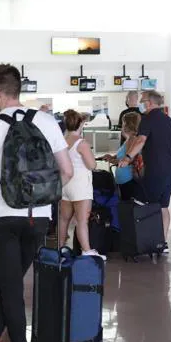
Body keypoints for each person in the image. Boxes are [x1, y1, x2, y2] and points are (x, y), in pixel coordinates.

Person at [0, 64, 73, 342]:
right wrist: (43, 197)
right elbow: (66, 172)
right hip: (39, 217)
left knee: (11, 287)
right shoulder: (46, 120)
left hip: (2, 217)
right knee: (12, 280)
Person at [120, 91, 171, 253]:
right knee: (163, 206)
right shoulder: (168, 120)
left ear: (150, 103)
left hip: (155, 170)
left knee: (142, 203)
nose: (141, 104)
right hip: (170, 170)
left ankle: (145, 240)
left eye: (143, 101)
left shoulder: (148, 119)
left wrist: (128, 157)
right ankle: (162, 243)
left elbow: (141, 140)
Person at [57, 110, 103, 259]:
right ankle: (86, 250)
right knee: (82, 221)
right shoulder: (81, 143)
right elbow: (92, 165)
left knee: (64, 219)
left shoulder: (62, 141)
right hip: (80, 186)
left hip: (65, 184)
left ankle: (61, 248)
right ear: (81, 124)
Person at [102, 112, 141, 200]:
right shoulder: (128, 139)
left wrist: (112, 161)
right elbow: (122, 155)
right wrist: (111, 157)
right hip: (122, 179)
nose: (121, 126)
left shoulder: (132, 139)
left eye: (123, 123)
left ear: (128, 125)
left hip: (127, 179)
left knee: (126, 206)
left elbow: (127, 160)